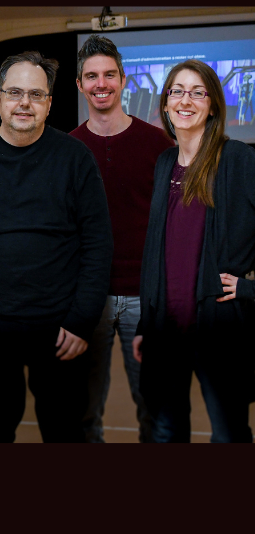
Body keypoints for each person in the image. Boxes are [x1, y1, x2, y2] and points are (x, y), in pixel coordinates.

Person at [0, 51, 113, 443]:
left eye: (36, 94)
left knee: (65, 432)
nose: (24, 103)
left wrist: (81, 320)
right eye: (15, 92)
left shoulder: (76, 159)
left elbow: (98, 244)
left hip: (61, 330)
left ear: (49, 103)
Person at [133, 59, 255, 443]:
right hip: (165, 331)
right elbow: (156, 249)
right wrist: (145, 324)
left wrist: (250, 289)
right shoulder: (164, 163)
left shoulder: (237, 159)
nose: (186, 100)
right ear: (166, 102)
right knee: (166, 431)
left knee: (229, 435)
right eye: (177, 91)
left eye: (197, 92)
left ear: (213, 105)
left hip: (218, 331)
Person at [71, 35, 174, 443]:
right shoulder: (67, 148)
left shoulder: (158, 144)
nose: (101, 84)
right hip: (87, 297)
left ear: (124, 80)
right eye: (92, 76)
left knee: (155, 408)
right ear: (80, 85)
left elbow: (173, 223)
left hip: (145, 297)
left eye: (109, 74)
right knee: (83, 410)